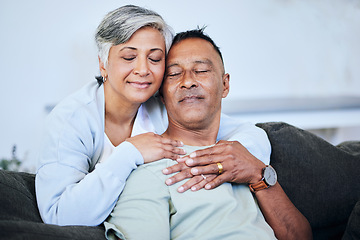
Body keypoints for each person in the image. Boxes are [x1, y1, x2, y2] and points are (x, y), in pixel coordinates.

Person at [35, 5, 270, 227]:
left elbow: (247, 133)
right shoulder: (71, 121)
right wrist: (129, 153)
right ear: (103, 65)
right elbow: (58, 214)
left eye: (155, 58)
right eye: (129, 57)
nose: (143, 70)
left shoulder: (164, 105)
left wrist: (238, 160)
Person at [104, 29, 312, 240]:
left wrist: (258, 174)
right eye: (174, 74)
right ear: (161, 95)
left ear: (225, 85)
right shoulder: (151, 172)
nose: (188, 81)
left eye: (201, 70)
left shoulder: (245, 157)